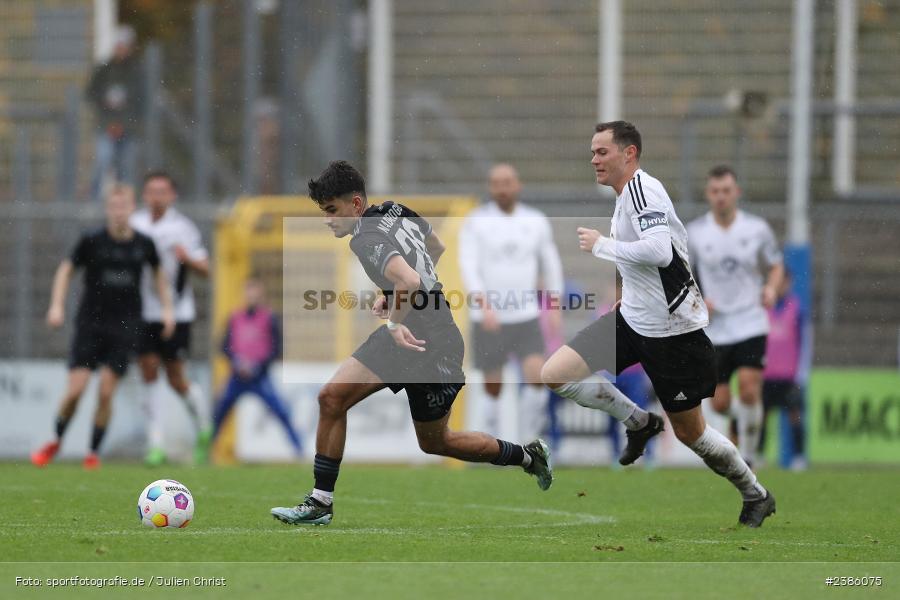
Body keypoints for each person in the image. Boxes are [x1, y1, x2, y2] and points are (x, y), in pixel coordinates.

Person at [270, 161, 553, 526]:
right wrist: (393, 296)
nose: (328, 220)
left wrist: (393, 321)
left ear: (356, 205)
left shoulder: (365, 238)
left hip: (423, 340)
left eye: (332, 210)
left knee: (425, 437)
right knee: (345, 403)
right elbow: (436, 246)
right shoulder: (394, 209)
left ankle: (527, 457)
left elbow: (409, 281)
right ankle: (321, 502)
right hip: (438, 333)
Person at [540, 121, 775, 527]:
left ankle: (755, 493)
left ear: (628, 154)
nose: (594, 159)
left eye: (602, 152)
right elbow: (641, 262)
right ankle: (640, 421)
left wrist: (601, 244)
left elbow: (660, 251)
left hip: (673, 333)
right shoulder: (623, 196)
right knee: (556, 373)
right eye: (593, 152)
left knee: (692, 435)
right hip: (632, 320)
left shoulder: (642, 189)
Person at [31, 184, 174, 469]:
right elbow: (66, 269)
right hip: (90, 324)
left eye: (124, 206)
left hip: (125, 327)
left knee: (106, 392)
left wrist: (167, 309)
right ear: (108, 209)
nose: (119, 212)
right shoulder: (92, 240)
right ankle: (55, 439)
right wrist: (56, 305)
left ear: (133, 209)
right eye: (114, 207)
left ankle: (92, 453)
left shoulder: (144, 244)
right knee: (75, 392)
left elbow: (159, 273)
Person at [686, 165, 784, 467]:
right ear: (708, 194)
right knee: (721, 402)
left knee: (751, 388)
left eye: (726, 191)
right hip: (715, 327)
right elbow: (682, 275)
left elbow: (776, 265)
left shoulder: (756, 229)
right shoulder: (695, 233)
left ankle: (750, 457)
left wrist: (771, 288)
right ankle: (739, 423)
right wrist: (697, 299)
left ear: (736, 193)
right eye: (715, 191)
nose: (721, 197)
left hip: (751, 319)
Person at [458, 163, 564, 440]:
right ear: (490, 187)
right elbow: (468, 266)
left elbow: (550, 264)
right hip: (489, 316)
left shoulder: (536, 221)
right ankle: (492, 440)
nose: (502, 188)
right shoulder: (476, 222)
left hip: (525, 315)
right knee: (494, 385)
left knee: (537, 375)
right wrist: (483, 304)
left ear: (518, 185)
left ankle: (531, 442)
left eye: (507, 182)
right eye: (496, 183)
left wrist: (554, 305)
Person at [131, 171, 211, 466]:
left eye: (162, 191)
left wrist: (187, 259)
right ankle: (156, 444)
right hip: (143, 312)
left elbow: (206, 269)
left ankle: (203, 426)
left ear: (172, 195)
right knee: (148, 371)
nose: (157, 196)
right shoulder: (135, 224)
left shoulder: (182, 228)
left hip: (177, 312)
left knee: (176, 378)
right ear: (144, 195)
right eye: (152, 191)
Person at [213, 276, 303, 455]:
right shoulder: (235, 317)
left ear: (261, 294)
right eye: (249, 291)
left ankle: (299, 449)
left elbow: (277, 348)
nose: (251, 295)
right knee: (219, 412)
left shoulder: (269, 318)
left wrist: (258, 365)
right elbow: (224, 346)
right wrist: (237, 361)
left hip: (260, 376)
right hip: (237, 376)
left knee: (280, 411)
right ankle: (204, 450)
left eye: (255, 291)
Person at [86, 25, 143, 201]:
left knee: (126, 170)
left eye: (124, 46)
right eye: (119, 45)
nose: (121, 50)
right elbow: (92, 95)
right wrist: (109, 121)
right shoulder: (104, 70)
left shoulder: (136, 72)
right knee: (103, 162)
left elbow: (139, 102)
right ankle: (93, 202)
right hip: (106, 128)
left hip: (129, 129)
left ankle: (124, 205)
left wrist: (124, 124)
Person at [760, 269, 809, 469]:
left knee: (795, 415)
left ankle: (799, 458)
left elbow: (805, 342)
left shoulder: (797, 308)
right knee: (761, 417)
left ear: (788, 282)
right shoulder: (762, 307)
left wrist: (801, 373)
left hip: (789, 375)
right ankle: (758, 455)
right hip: (766, 373)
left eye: (783, 281)